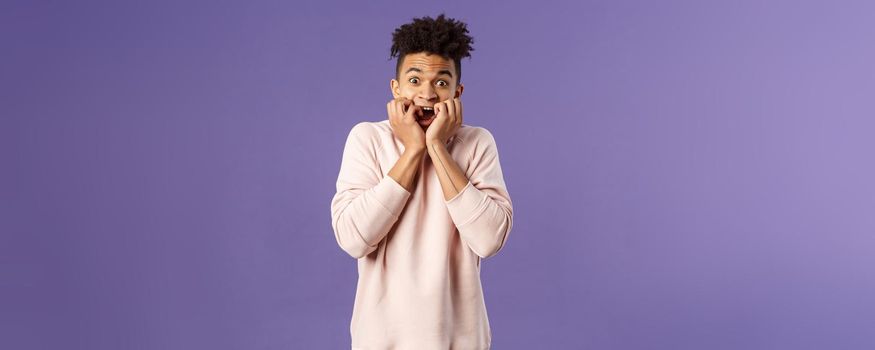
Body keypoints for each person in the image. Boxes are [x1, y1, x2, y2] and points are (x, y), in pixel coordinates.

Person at [330, 13, 513, 349]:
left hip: (461, 339)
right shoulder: (367, 138)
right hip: (381, 340)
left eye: (441, 82)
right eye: (414, 81)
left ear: (457, 91)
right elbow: (354, 238)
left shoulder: (477, 143)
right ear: (395, 87)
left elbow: (488, 239)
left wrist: (437, 148)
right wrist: (413, 150)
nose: (427, 94)